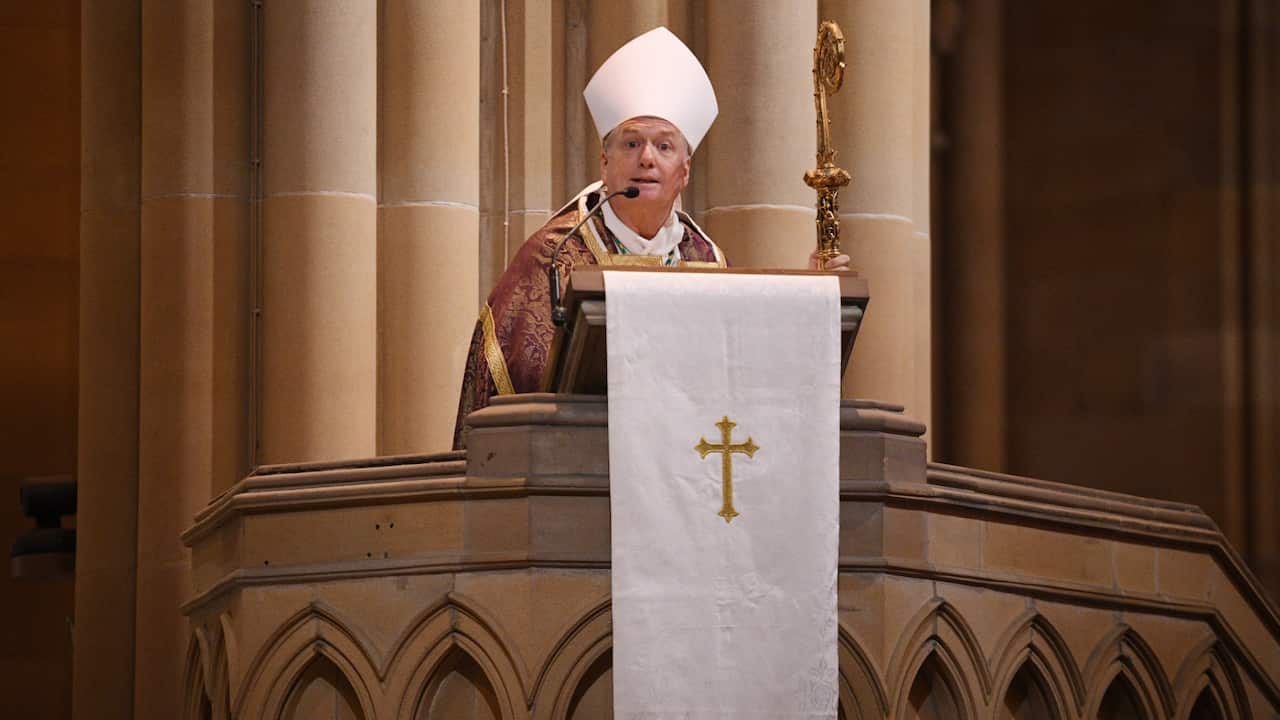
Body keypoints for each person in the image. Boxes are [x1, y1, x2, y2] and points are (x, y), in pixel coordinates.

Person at [452, 27, 847, 449]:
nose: (646, 158)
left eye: (664, 146)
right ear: (605, 164)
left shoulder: (707, 259)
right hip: (576, 463)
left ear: (685, 172)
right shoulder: (556, 254)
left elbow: (745, 372)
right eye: (632, 143)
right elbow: (515, 378)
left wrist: (811, 295)